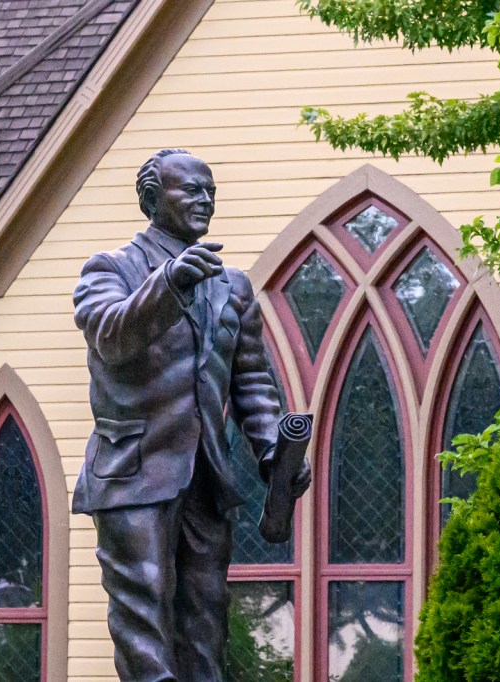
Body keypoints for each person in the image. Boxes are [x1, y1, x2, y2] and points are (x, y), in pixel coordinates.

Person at [72, 148, 310, 681]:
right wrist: (168, 284)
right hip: (133, 473)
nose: (205, 200)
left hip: (206, 476)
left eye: (211, 192)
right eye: (192, 190)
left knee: (207, 626)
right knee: (144, 621)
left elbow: (250, 379)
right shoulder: (110, 269)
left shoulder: (233, 285)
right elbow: (111, 337)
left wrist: (273, 450)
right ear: (153, 198)